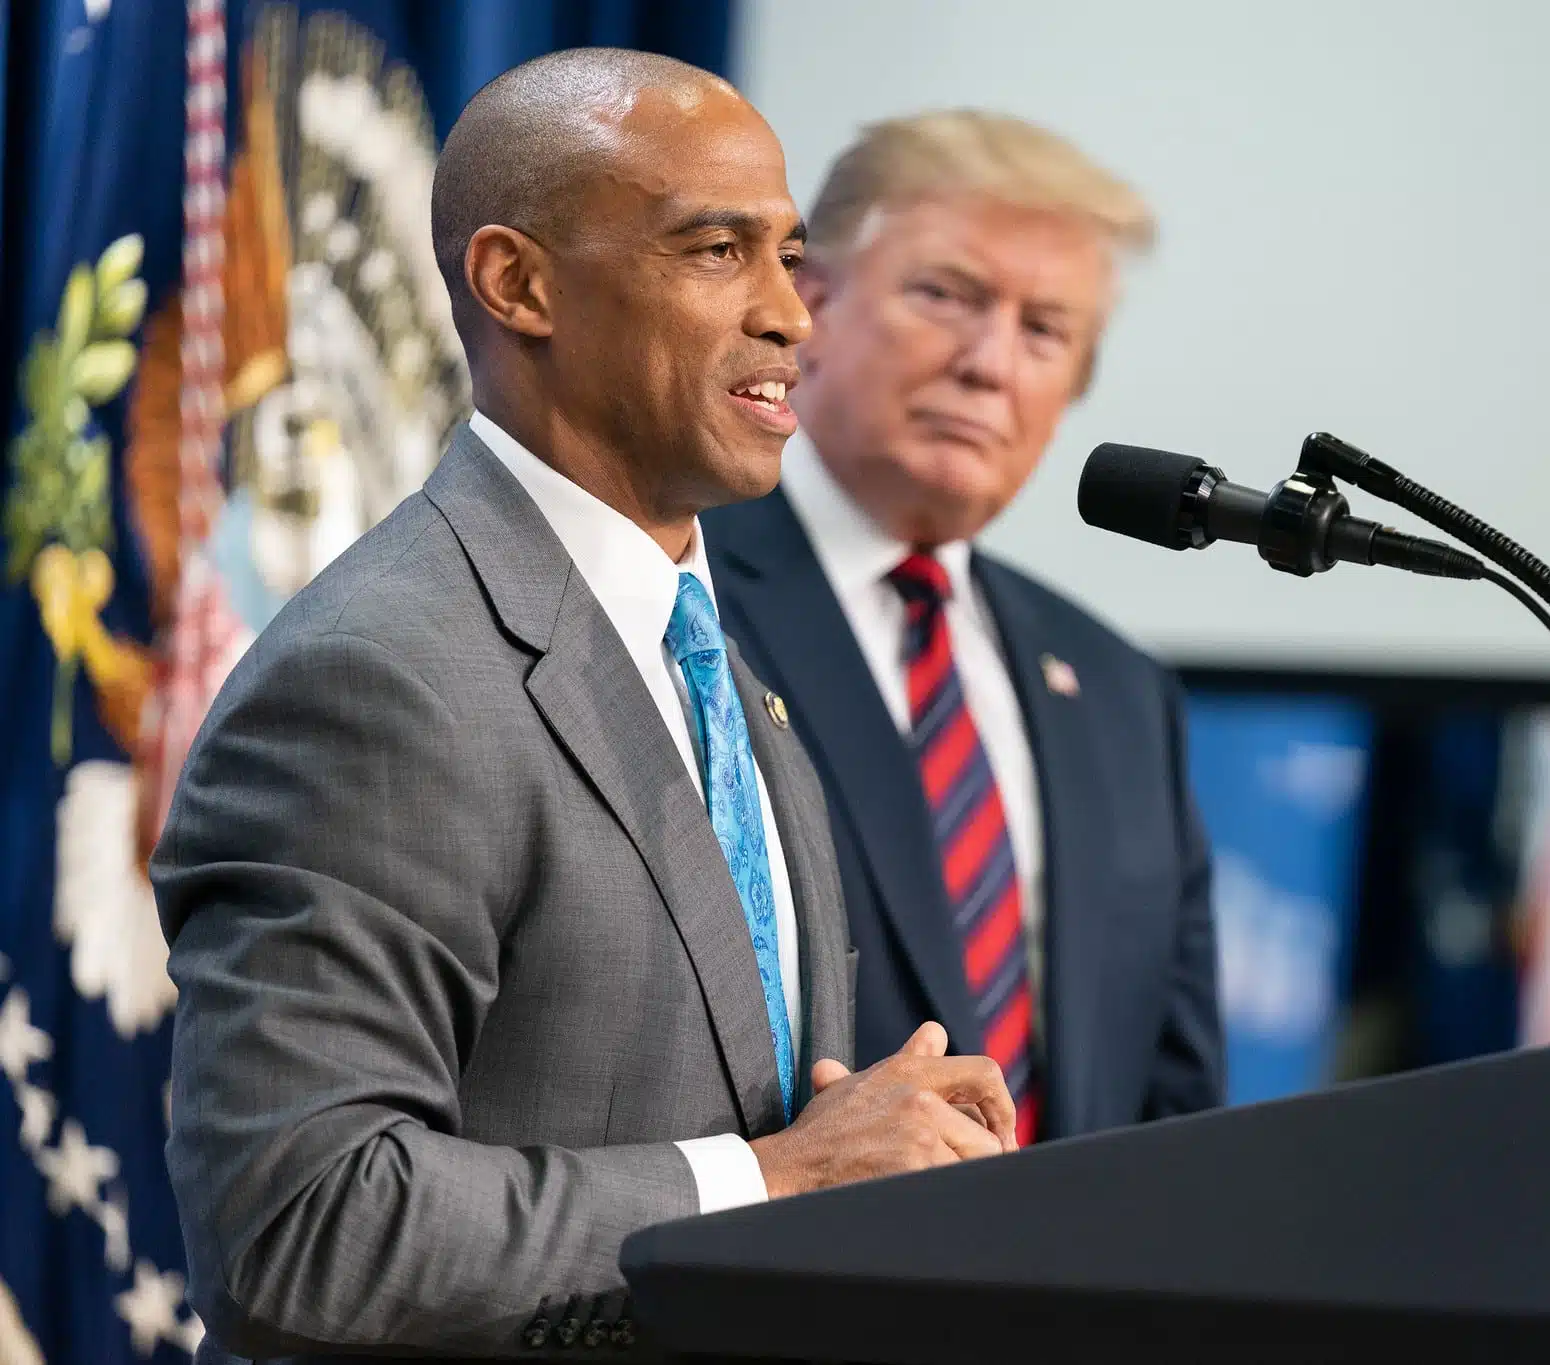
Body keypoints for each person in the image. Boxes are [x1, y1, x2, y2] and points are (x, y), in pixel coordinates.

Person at [152, 52, 1014, 1362]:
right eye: (718, 250)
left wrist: (888, 1156)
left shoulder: (722, 659)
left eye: (792, 257)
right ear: (519, 283)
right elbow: (302, 1228)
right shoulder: (378, 678)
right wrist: (774, 1180)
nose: (793, 317)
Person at [703, 112, 1223, 1146]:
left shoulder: (1121, 692)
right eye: (944, 295)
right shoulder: (682, 590)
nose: (989, 364)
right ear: (809, 303)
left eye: (1044, 331)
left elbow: (1178, 1115)